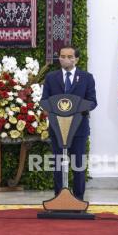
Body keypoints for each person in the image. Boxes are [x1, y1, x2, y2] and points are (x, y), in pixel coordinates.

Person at [42, 46, 97, 200]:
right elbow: (44, 101)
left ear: (76, 59)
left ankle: (78, 199)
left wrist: (77, 106)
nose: (65, 59)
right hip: (57, 129)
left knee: (78, 165)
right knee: (59, 165)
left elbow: (92, 102)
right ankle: (59, 198)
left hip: (78, 129)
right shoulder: (51, 78)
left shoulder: (87, 77)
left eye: (69, 56)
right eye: (62, 55)